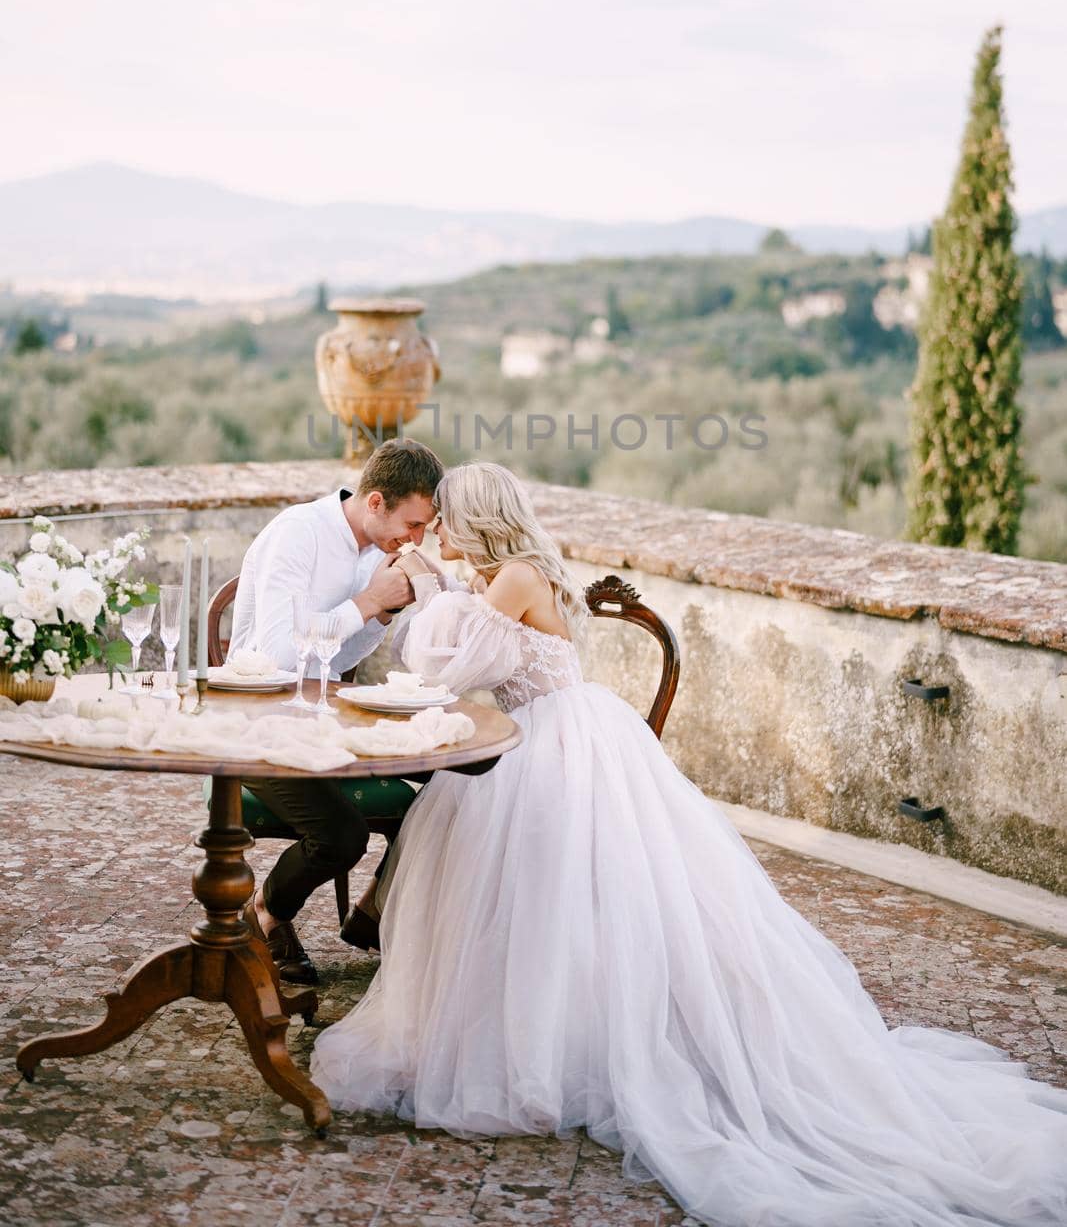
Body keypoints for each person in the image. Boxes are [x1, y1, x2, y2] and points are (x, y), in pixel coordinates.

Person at [311, 462, 1067, 1227]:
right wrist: (446, 586)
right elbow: (461, 666)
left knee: (538, 873)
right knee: (491, 858)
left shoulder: (511, 576)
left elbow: (448, 666)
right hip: (535, 734)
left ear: (473, 519)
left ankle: (566, 1036)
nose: (435, 530)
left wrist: (435, 585)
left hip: (560, 740)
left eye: (444, 519)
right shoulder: (501, 576)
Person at [230, 438, 446, 985]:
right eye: (413, 524)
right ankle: (264, 915)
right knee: (342, 835)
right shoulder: (298, 533)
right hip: (255, 723)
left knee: (452, 776)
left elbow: (340, 656)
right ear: (375, 502)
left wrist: (379, 615)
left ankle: (376, 914)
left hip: (322, 721)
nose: (417, 539)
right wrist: (369, 603)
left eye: (424, 528)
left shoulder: (374, 551)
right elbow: (279, 656)